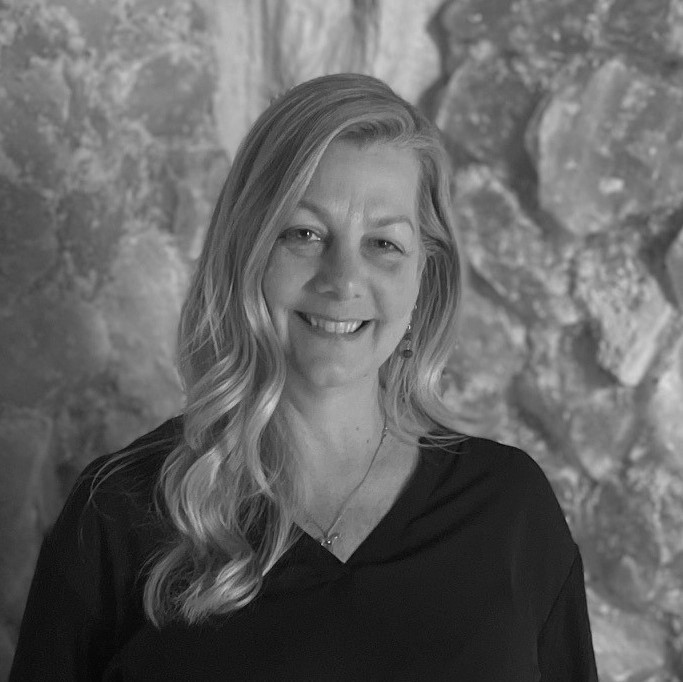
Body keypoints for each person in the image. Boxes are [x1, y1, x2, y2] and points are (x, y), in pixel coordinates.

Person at [10, 73, 598, 681]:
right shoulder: (118, 514)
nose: (342, 281)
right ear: (247, 252)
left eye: (383, 244)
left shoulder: (508, 511)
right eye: (305, 234)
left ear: (427, 276)